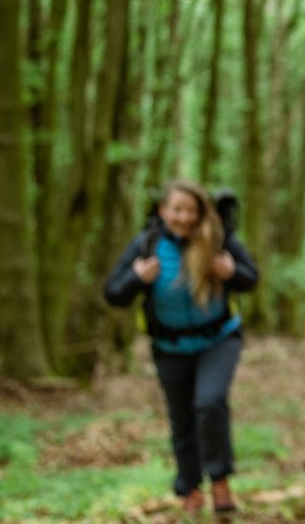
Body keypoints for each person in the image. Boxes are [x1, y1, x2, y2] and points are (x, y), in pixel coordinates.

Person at [104, 179, 260, 515]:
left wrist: (231, 272)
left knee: (210, 402)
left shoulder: (220, 240)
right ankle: (190, 488)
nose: (185, 217)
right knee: (182, 418)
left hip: (218, 340)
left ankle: (220, 480)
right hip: (169, 345)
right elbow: (113, 294)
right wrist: (136, 278)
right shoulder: (146, 244)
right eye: (177, 209)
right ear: (163, 211)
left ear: (202, 212)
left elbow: (251, 279)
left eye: (191, 210)